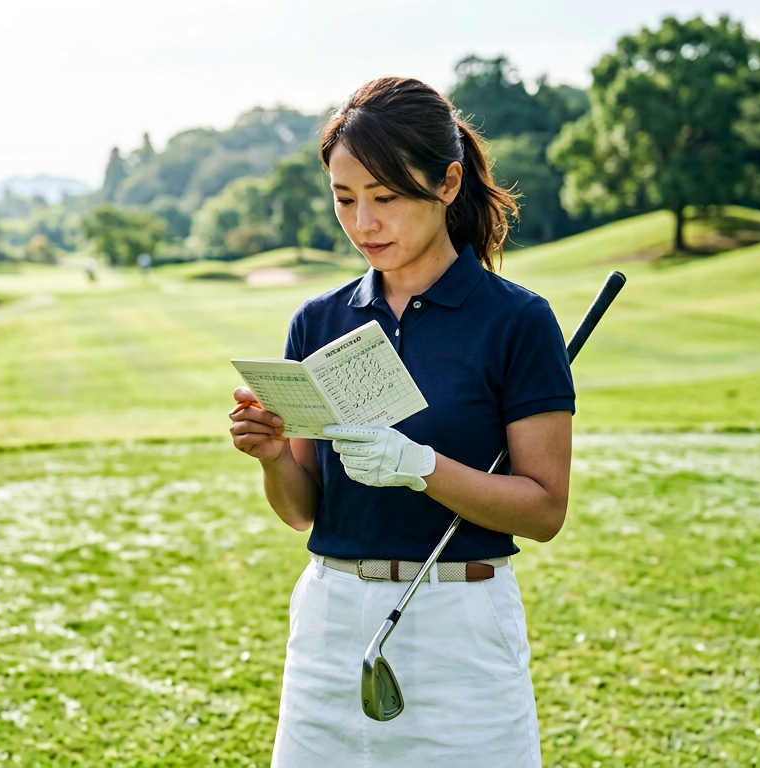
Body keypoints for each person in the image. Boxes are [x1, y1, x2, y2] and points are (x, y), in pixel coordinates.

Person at [228, 77, 574, 767]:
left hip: (461, 631)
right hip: (331, 625)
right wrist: (272, 457)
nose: (364, 224)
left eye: (385, 198)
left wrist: (420, 467)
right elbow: (303, 511)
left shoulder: (516, 322)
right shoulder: (318, 322)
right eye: (345, 199)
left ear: (447, 184)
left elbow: (543, 511)